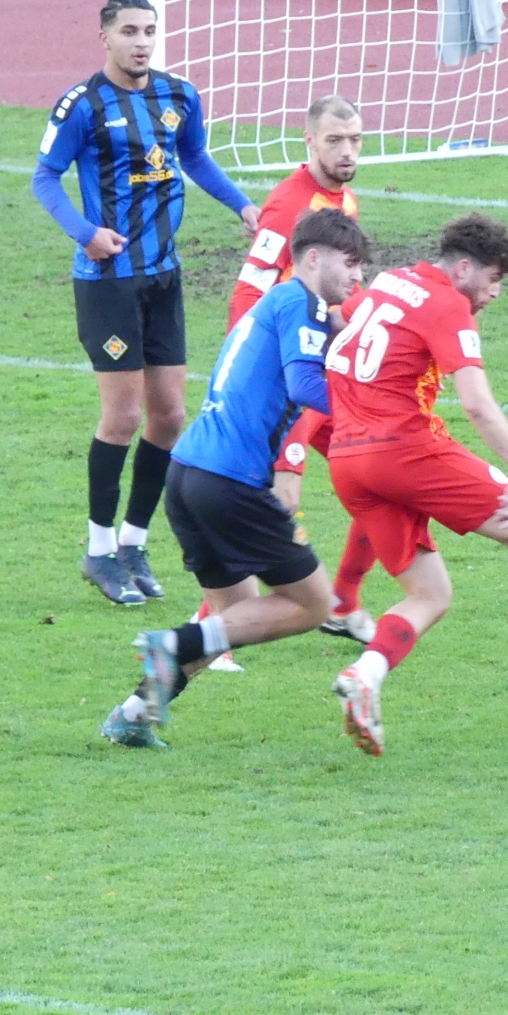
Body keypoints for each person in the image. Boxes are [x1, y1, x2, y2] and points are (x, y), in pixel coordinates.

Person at [322, 212, 508, 757]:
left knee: (430, 594)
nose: (495, 293)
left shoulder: (390, 281)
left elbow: (342, 321)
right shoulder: (447, 304)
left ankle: (365, 675)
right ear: (462, 270)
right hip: (403, 450)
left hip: (347, 461)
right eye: (493, 279)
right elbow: (476, 403)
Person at [99, 209, 367, 748]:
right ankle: (171, 643)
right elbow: (304, 385)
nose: (357, 276)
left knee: (235, 621)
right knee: (314, 604)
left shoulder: (280, 303)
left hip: (188, 474)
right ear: (313, 258)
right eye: (350, 263)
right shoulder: (300, 302)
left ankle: (132, 715)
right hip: (230, 482)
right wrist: (372, 408)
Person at [34, 0, 259, 606]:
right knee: (123, 418)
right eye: (130, 31)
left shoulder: (178, 96)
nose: (141, 42)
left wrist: (242, 204)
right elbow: (45, 177)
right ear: (104, 37)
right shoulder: (82, 105)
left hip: (164, 276)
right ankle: (99, 550)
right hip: (107, 281)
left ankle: (134, 543)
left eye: (149, 31)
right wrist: (86, 232)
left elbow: (194, 157)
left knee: (169, 416)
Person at [195, 94, 379, 661]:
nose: (347, 151)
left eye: (355, 140)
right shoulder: (288, 207)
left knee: (381, 480)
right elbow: (247, 296)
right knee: (279, 495)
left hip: (322, 375)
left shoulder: (343, 200)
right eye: (334, 140)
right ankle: (213, 624)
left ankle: (343, 603)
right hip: (292, 384)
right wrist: (258, 381)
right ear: (309, 141)